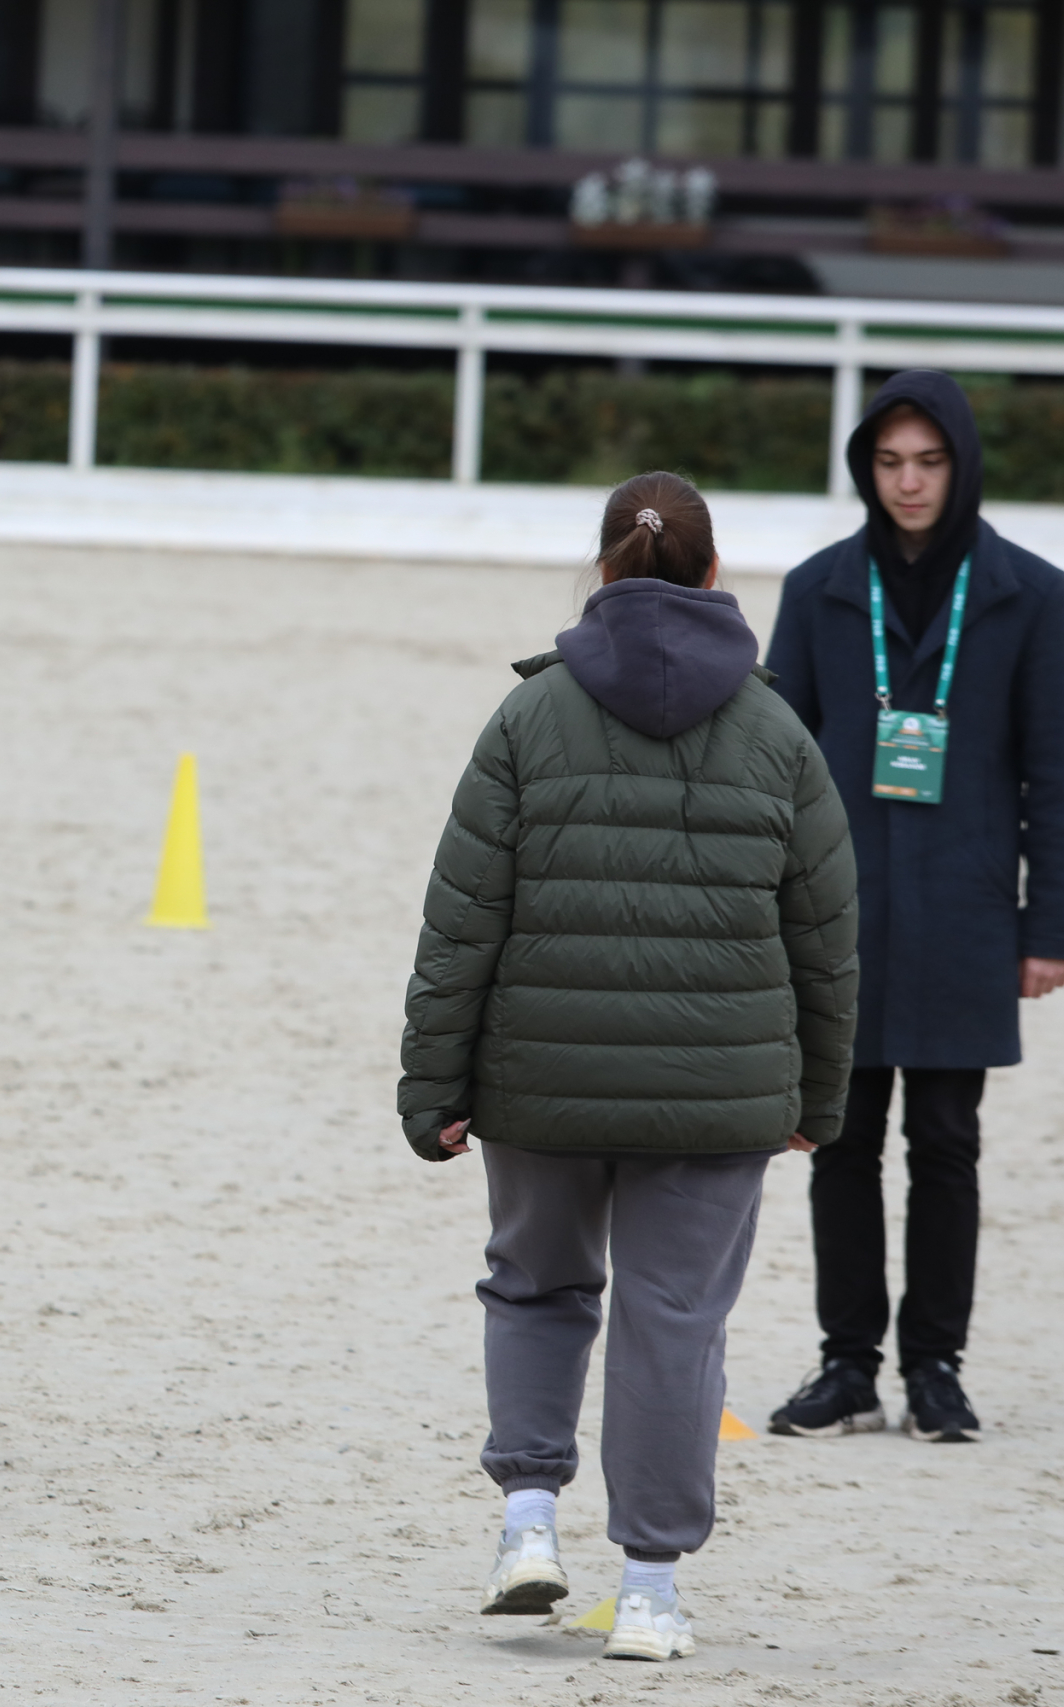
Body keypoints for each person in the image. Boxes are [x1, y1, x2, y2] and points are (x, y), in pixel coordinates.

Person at [399, 472, 857, 1662]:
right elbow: (826, 937)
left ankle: (528, 1522)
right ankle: (649, 1587)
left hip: (537, 1081)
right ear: (713, 577)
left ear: (603, 571)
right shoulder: (776, 731)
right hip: (716, 1094)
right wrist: (820, 1095)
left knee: (536, 1290)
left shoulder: (525, 719)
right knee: (674, 1324)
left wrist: (432, 1087)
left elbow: (462, 924)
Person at [762, 371, 1064, 1445]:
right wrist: (771, 914)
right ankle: (846, 1366)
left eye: (927, 462)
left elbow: (1055, 773)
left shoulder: (1033, 594)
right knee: (837, 1140)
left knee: (945, 1142)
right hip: (836, 914)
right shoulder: (816, 591)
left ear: (962, 465)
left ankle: (935, 1366)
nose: (907, 482)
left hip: (965, 911)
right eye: (888, 462)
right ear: (865, 468)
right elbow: (772, 769)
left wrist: (1050, 927)